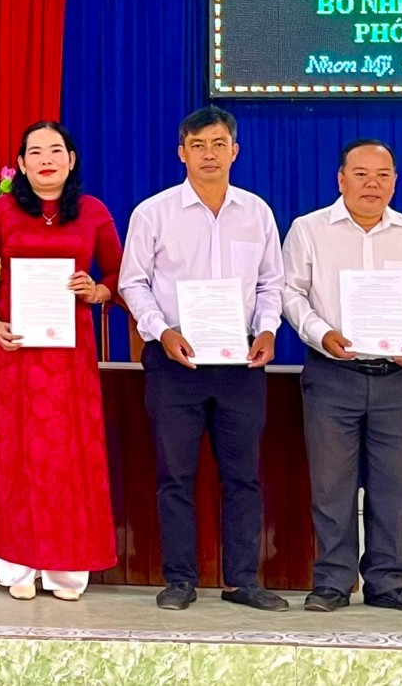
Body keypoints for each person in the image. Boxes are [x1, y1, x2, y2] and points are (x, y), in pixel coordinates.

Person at [119, 105, 287, 612]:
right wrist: (161, 331)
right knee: (175, 475)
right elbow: (133, 283)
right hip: (176, 362)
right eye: (198, 145)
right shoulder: (154, 213)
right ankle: (179, 579)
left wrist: (268, 328)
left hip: (241, 363)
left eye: (218, 145)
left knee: (243, 476)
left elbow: (271, 283)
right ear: (182, 153)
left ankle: (242, 580)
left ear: (235, 151)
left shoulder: (257, 212)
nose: (209, 155)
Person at [281, 139, 402, 613]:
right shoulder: (309, 230)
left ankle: (388, 582)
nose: (372, 184)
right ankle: (333, 582)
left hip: (399, 378)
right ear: (341, 179)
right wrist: (320, 333)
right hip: (333, 374)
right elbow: (290, 292)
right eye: (361, 174)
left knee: (395, 487)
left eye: (383, 175)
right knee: (331, 486)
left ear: (395, 181)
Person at [0, 122, 121, 601]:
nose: (46, 160)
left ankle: (67, 570)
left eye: (55, 150)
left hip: (71, 356)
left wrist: (96, 291)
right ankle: (18, 567)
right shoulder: (2, 211)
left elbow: (117, 274)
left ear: (71, 159)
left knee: (70, 455)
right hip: (15, 351)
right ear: (20, 164)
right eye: (35, 152)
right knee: (16, 455)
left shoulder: (94, 212)